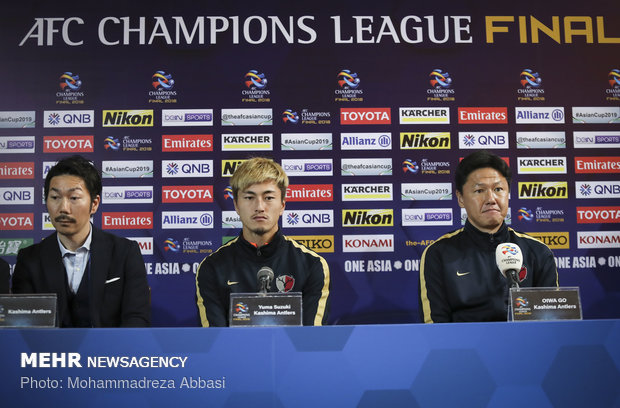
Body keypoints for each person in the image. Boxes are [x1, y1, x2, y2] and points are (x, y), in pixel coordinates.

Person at [418, 150, 558, 323]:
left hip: (525, 347)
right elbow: (436, 328)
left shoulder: (538, 252)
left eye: (498, 189)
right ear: (460, 198)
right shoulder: (438, 254)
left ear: (508, 194)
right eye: (479, 191)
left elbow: (551, 322)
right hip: (462, 348)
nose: (491, 199)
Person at [12, 155, 150, 327]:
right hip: (51, 353)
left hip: (109, 352)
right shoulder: (29, 259)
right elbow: (24, 328)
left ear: (94, 204)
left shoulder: (125, 253)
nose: (63, 208)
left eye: (74, 198)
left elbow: (137, 319)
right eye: (55, 197)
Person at [196, 157, 330, 326]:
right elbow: (216, 341)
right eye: (249, 197)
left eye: (268, 198)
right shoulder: (212, 267)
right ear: (236, 205)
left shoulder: (312, 264)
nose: (259, 207)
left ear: (282, 205)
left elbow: (310, 340)